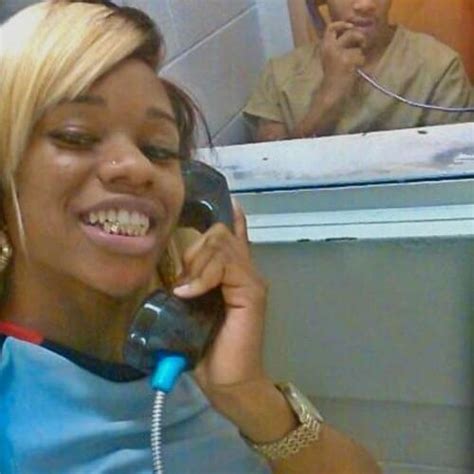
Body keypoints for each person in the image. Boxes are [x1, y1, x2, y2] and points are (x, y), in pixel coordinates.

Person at [0, 2, 381, 473]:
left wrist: (250, 397)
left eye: (158, 148)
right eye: (77, 136)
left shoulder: (185, 350)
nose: (138, 167)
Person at [244, 0, 474, 142]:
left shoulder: (439, 67)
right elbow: (269, 177)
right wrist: (326, 100)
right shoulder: (280, 74)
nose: (365, 5)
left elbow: (455, 171)